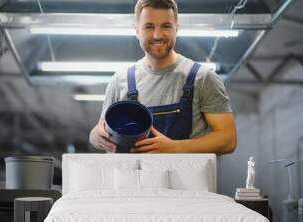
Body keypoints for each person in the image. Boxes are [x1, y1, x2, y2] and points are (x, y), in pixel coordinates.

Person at [89, 0, 237, 154]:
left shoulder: (203, 78)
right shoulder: (120, 80)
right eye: (149, 26)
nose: (157, 35)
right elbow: (101, 128)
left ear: (176, 29)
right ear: (137, 31)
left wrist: (174, 148)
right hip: (135, 177)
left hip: (188, 178)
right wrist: (96, 136)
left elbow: (228, 139)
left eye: (166, 26)